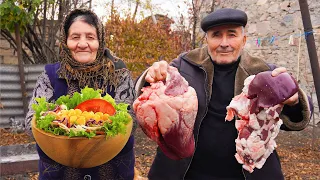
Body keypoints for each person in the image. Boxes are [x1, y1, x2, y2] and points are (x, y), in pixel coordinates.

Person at [135, 8, 312, 180]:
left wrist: (294, 100)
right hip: (187, 172)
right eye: (216, 35)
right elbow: (147, 90)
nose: (224, 43)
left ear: (244, 40)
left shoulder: (264, 72)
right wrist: (151, 76)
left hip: (249, 173)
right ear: (207, 39)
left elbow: (299, 115)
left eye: (232, 34)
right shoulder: (184, 65)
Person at [25, 9, 136, 180]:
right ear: (65, 41)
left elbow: (130, 122)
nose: (83, 44)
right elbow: (31, 123)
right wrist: (61, 123)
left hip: (113, 172)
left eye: (90, 37)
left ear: (100, 41)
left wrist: (96, 128)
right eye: (75, 37)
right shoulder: (50, 75)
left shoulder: (119, 74)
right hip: (59, 172)